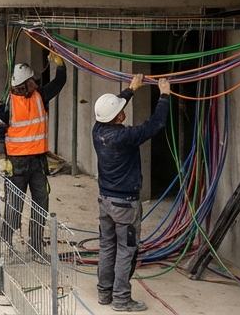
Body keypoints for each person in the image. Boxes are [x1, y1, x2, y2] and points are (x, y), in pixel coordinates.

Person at [93, 75, 171, 312]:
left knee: (107, 247)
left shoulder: (98, 130)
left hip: (105, 201)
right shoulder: (124, 137)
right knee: (127, 250)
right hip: (125, 205)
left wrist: (130, 90)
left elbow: (112, 108)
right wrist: (165, 95)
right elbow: (155, 124)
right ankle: (121, 299)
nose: (123, 110)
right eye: (120, 110)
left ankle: (104, 294)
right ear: (117, 117)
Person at [0, 56, 67, 253]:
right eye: (31, 80)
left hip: (37, 162)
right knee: (14, 206)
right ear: (26, 83)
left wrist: (60, 66)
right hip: (17, 165)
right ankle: (7, 242)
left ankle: (35, 246)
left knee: (40, 203)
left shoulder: (39, 96)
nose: (35, 83)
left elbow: (59, 83)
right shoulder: (6, 106)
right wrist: (2, 161)